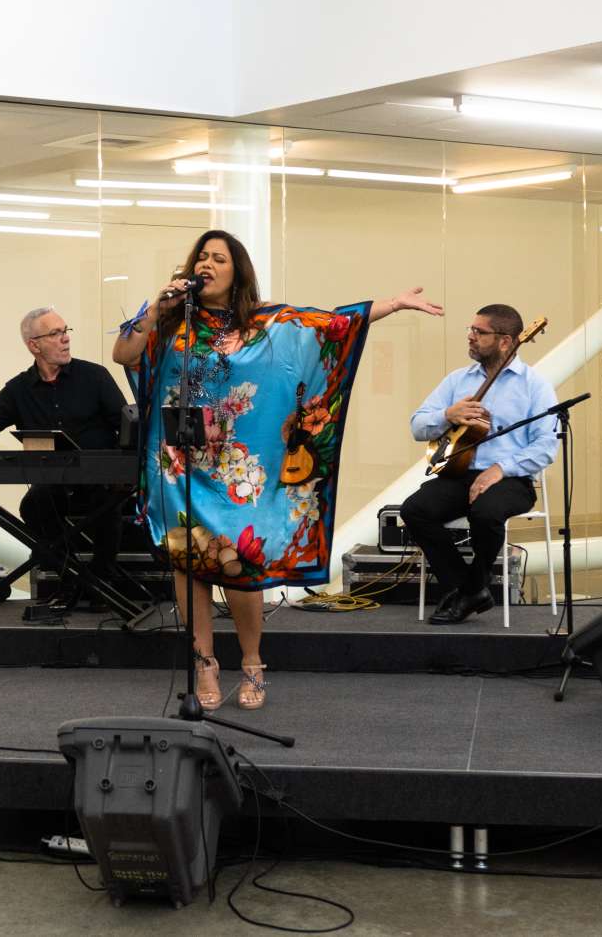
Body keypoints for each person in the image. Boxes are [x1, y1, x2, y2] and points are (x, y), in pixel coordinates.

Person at [112, 229, 442, 710]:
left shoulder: (268, 322)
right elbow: (124, 353)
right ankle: (204, 662)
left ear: (236, 270)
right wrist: (156, 310)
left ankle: (252, 662)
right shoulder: (170, 320)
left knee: (241, 565)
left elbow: (328, 326)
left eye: (218, 258)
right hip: (179, 463)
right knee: (189, 564)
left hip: (236, 470)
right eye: (201, 257)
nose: (207, 265)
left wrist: (390, 304)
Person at [0, 306, 129, 580]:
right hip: (54, 480)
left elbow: (125, 426)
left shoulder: (95, 376)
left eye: (65, 331)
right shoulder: (18, 389)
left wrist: (124, 468)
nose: (65, 338)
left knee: (107, 503)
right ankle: (70, 571)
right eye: (55, 333)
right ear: (34, 345)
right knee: (33, 506)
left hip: (101, 478)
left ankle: (102, 577)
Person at [402, 304, 558, 625]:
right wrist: (448, 415)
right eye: (470, 330)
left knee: (485, 511)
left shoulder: (535, 386)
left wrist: (501, 468)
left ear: (505, 341)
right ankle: (469, 587)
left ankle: (469, 589)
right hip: (459, 473)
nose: (470, 337)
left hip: (512, 479)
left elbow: (545, 446)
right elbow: (417, 425)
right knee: (414, 510)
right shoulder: (458, 381)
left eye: (479, 332)